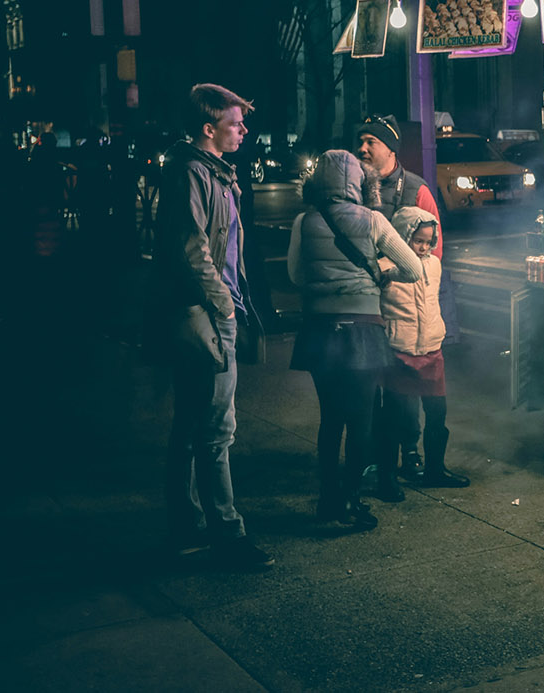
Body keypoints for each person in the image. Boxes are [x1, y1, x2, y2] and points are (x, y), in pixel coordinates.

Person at [153, 83, 272, 570]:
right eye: (234, 122)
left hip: (207, 313)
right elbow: (193, 248)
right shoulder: (193, 172)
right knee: (216, 429)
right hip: (205, 316)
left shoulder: (214, 173)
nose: (243, 129)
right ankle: (227, 532)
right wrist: (225, 307)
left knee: (190, 425)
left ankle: (186, 525)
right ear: (209, 128)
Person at [288, 150, 422, 531]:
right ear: (361, 184)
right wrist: (380, 269)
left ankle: (327, 501)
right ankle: (351, 499)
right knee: (361, 421)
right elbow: (413, 268)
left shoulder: (304, 220)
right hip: (363, 329)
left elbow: (295, 275)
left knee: (329, 420)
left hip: (318, 330)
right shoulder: (374, 220)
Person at [356, 113, 447, 481]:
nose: (362, 148)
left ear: (390, 149)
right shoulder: (356, 187)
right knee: (374, 391)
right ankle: (377, 458)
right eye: (359, 142)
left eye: (370, 142)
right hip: (367, 302)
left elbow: (434, 249)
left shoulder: (417, 189)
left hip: (404, 308)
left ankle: (410, 455)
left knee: (405, 392)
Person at [376, 206, 470, 495]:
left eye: (430, 241)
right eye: (418, 240)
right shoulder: (384, 265)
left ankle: (435, 469)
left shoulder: (434, 265)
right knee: (395, 418)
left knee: (437, 414)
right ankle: (388, 478)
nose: (425, 247)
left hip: (431, 349)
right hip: (399, 350)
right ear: (403, 236)